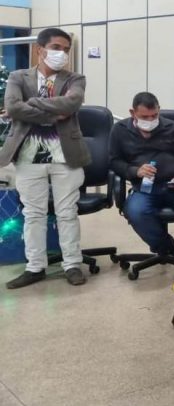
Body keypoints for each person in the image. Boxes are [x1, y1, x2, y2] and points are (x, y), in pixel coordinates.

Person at [1, 28, 89, 288]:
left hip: (66, 155)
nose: (62, 53)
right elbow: (13, 106)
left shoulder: (75, 78)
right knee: (33, 214)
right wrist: (54, 110)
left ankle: (72, 264)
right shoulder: (18, 76)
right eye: (56, 47)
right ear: (40, 49)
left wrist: (32, 104)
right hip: (27, 155)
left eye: (66, 49)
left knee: (67, 212)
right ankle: (35, 267)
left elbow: (71, 104)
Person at [109, 92, 174, 262]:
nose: (150, 120)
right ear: (132, 113)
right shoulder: (120, 131)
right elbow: (114, 161)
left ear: (159, 110)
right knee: (136, 212)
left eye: (154, 115)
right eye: (144, 117)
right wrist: (135, 171)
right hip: (145, 188)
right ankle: (171, 248)